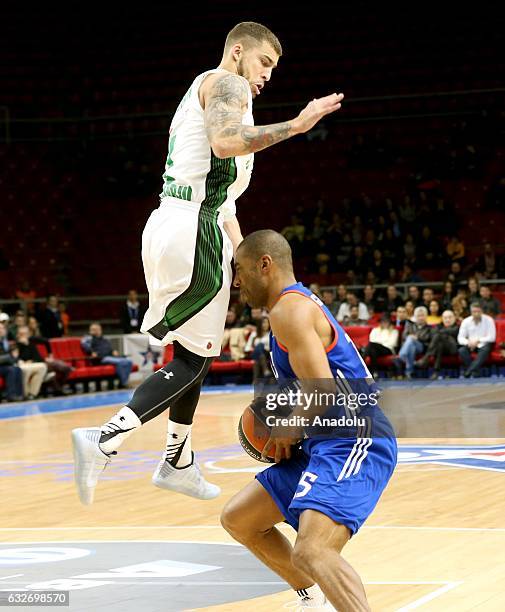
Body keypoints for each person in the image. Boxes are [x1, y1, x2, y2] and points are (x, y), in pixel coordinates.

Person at [71, 21, 344, 506]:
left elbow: (225, 199)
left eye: (273, 69)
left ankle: (178, 459)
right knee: (196, 359)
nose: (266, 75)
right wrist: (298, 126)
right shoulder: (228, 83)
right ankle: (105, 439)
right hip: (192, 229)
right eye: (264, 62)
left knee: (195, 352)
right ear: (238, 51)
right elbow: (225, 143)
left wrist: (245, 262)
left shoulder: (202, 88)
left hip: (180, 222)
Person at [222, 230, 396, 610]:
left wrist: (287, 428)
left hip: (357, 439)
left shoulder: (290, 310)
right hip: (324, 441)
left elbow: (323, 391)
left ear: (264, 265)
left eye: (238, 270)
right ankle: (312, 599)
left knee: (313, 550)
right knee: (240, 519)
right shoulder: (287, 306)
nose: (235, 282)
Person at [81, 322, 133, 388]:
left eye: (97, 329)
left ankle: (122, 382)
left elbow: (110, 348)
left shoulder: (104, 339)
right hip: (101, 358)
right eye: (93, 329)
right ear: (90, 330)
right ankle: (123, 383)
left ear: (100, 330)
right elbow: (85, 346)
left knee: (129, 361)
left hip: (110, 356)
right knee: (121, 362)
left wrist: (113, 351)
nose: (95, 331)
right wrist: (91, 351)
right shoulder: (88, 339)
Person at [415, 310, 460, 378]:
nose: (448, 320)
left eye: (450, 317)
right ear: (442, 319)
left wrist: (440, 333)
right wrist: (441, 333)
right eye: (445, 318)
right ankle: (436, 371)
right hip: (439, 349)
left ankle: (426, 358)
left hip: (452, 349)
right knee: (439, 345)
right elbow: (432, 335)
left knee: (438, 336)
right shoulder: (438, 326)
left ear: (454, 318)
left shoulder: (457, 327)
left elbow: (452, 332)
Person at [393, 306, 433, 379]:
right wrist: (411, 337)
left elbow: (427, 338)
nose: (420, 317)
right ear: (415, 317)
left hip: (422, 346)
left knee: (411, 340)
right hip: (410, 346)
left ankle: (401, 356)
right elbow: (404, 336)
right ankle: (409, 372)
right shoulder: (410, 325)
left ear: (426, 316)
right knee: (411, 344)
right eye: (418, 315)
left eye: (422, 315)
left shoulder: (429, 328)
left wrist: (417, 337)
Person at [457, 303, 496, 378]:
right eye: (474, 312)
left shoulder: (489, 320)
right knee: (461, 350)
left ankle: (468, 372)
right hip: (470, 345)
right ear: (471, 312)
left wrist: (478, 341)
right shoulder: (466, 321)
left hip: (484, 344)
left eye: (478, 311)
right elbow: (460, 338)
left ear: (482, 311)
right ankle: (475, 371)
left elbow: (492, 337)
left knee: (485, 349)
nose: (476, 314)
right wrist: (468, 342)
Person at [16, 326, 48, 400]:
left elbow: (38, 357)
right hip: (21, 365)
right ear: (18, 334)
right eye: (21, 334)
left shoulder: (30, 343)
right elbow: (16, 357)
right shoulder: (16, 344)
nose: (23, 336)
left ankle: (32, 394)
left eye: (25, 334)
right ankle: (25, 394)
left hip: (31, 364)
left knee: (42, 366)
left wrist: (27, 344)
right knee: (26, 370)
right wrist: (22, 346)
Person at [0, 322, 23, 401]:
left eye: (3, 328)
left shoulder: (5, 341)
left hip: (4, 365)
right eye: (0, 328)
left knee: (17, 369)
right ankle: (11, 395)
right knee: (11, 370)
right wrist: (9, 357)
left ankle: (20, 394)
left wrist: (15, 358)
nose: (2, 330)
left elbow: (12, 356)